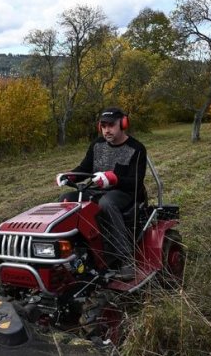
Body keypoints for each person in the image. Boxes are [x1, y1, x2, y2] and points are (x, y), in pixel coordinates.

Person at [57, 107, 147, 272]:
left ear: (123, 124)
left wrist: (114, 179)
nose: (107, 130)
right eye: (103, 126)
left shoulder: (137, 148)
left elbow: (136, 182)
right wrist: (69, 176)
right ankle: (70, 252)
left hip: (126, 192)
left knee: (106, 203)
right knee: (66, 199)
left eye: (111, 125)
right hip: (96, 190)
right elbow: (85, 167)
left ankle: (125, 258)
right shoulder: (97, 145)